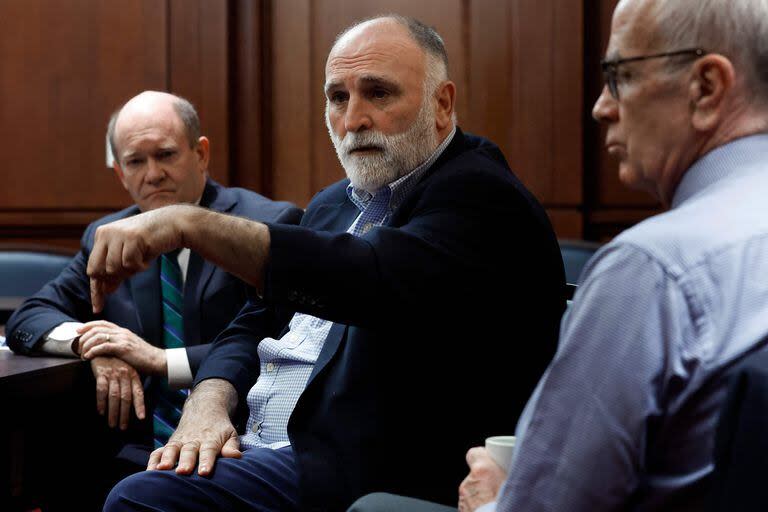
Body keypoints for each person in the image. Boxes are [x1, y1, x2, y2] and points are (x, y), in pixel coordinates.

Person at [93, 15, 565, 511]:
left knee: (141, 500)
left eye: (378, 93)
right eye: (338, 98)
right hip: (257, 445)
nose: (354, 119)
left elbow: (366, 275)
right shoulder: (332, 204)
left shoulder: (481, 195)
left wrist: (192, 223)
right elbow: (254, 319)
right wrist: (209, 399)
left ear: (441, 104)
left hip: (362, 469)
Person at [405, 0, 768, 510]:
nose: (601, 106)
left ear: (706, 88)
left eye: (619, 76)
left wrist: (493, 501)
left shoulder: (652, 271)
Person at [5, 91, 302, 473]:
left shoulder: (263, 228)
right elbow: (29, 317)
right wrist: (91, 343)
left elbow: (279, 343)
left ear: (201, 154)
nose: (153, 174)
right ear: (120, 173)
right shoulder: (107, 235)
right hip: (131, 450)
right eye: (135, 162)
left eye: (165, 155)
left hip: (235, 448)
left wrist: (160, 361)